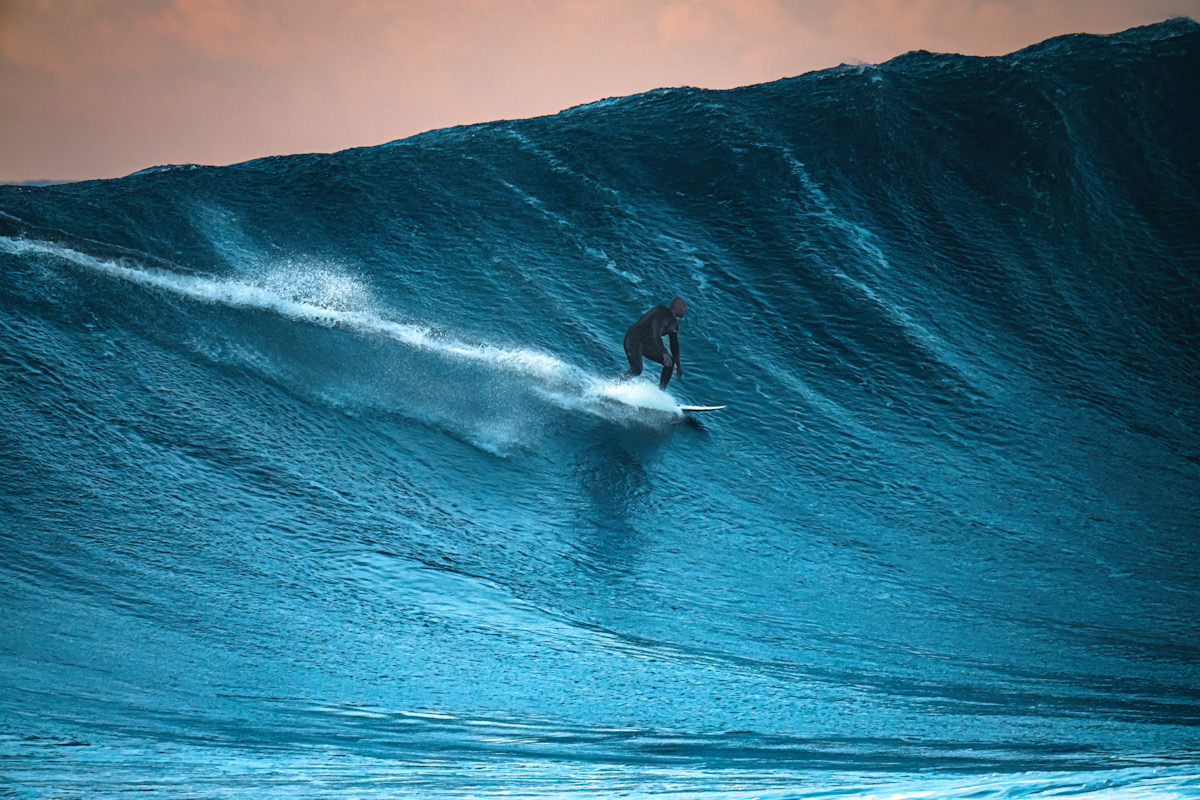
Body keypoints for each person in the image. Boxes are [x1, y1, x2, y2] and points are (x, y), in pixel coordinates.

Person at [623, 296, 686, 389]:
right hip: (633, 339)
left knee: (670, 362)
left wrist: (678, 365)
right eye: (684, 307)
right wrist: (663, 352)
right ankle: (617, 385)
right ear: (677, 307)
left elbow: (674, 345)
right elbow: (655, 333)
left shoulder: (674, 324)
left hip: (645, 344)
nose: (685, 310)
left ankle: (661, 391)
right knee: (637, 369)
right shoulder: (661, 312)